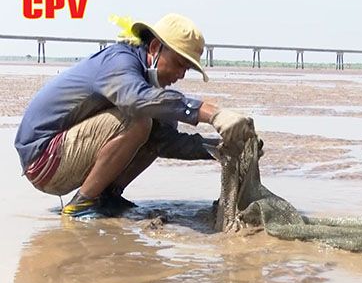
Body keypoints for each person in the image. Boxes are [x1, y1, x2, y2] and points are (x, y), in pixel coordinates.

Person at [14, 13, 255, 217]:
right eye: (179, 63)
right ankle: (83, 204)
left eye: (187, 68)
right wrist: (213, 113)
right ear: (153, 48)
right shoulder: (119, 62)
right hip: (43, 159)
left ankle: (107, 196)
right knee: (140, 118)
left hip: (63, 154)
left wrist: (221, 148)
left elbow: (164, 142)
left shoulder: (140, 80)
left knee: (161, 117)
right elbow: (137, 101)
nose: (181, 74)